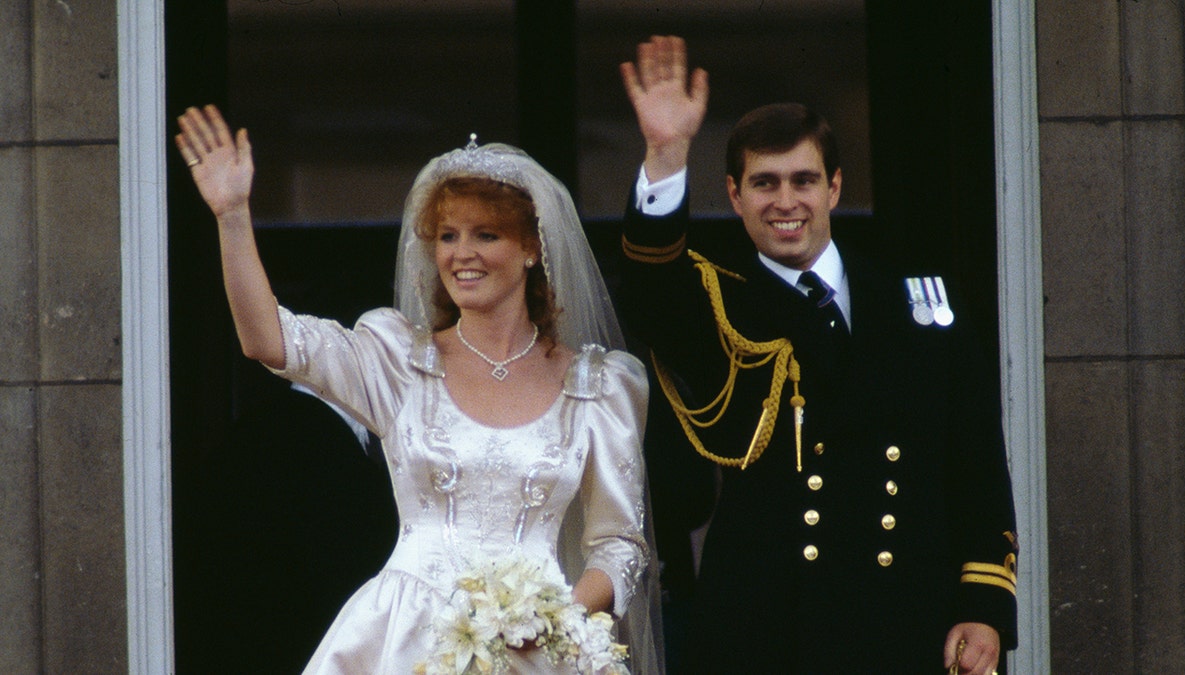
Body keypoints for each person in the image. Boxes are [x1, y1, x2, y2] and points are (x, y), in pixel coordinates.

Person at [175, 105, 662, 674]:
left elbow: (618, 545)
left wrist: (553, 618)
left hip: (539, 649)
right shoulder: (398, 361)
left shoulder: (598, 386)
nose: (463, 254)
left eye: (487, 234)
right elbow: (268, 340)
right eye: (448, 236)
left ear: (533, 247)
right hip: (407, 638)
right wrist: (232, 215)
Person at [616, 36, 1018, 674]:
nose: (785, 202)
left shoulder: (918, 300)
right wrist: (666, 154)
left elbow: (973, 462)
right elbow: (649, 289)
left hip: (905, 620)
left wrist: (984, 604)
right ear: (734, 193)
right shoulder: (719, 305)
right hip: (767, 630)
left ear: (834, 187)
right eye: (764, 183)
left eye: (804, 180)